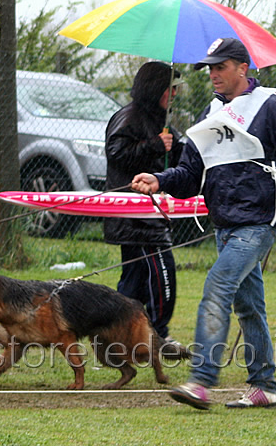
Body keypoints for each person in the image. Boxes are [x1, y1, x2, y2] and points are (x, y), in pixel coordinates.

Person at [132, 38, 276, 410]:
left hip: (257, 225)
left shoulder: (271, 108)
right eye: (210, 68)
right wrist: (160, 181)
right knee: (249, 306)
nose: (213, 74)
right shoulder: (210, 116)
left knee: (217, 287)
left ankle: (201, 380)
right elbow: (192, 173)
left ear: (243, 68)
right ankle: (264, 386)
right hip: (223, 226)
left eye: (220, 66)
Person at [104, 61, 183, 344]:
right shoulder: (130, 117)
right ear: (156, 88)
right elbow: (116, 152)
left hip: (150, 214)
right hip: (134, 216)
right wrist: (154, 145)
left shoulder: (160, 120)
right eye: (170, 89)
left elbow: (171, 160)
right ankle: (158, 334)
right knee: (162, 274)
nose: (174, 94)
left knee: (133, 282)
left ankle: (118, 337)